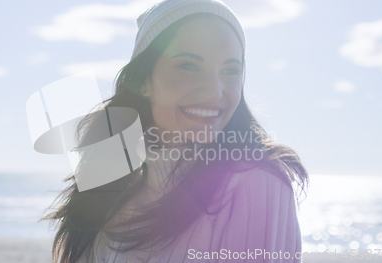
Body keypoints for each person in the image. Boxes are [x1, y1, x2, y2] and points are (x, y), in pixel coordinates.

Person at [45, 0, 309, 262]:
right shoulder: (111, 186)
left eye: (230, 70)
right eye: (189, 66)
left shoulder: (256, 182)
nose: (215, 92)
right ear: (144, 81)